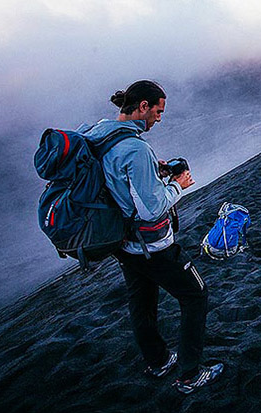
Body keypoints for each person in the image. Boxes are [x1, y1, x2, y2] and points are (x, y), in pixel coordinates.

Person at [81, 80, 223, 394]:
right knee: (195, 296)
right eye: (158, 111)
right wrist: (177, 186)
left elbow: (117, 181)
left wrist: (151, 173)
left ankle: (158, 361)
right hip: (152, 244)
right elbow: (151, 208)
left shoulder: (99, 132)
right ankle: (189, 374)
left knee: (141, 301)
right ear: (143, 106)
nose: (159, 119)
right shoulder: (135, 148)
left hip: (122, 243)